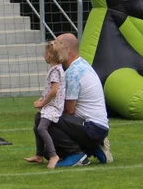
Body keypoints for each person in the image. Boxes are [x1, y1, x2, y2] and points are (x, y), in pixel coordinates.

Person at [46, 33, 113, 167]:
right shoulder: (81, 65)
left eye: (57, 46)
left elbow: (70, 110)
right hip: (97, 127)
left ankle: (76, 154)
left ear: (67, 49)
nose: (53, 49)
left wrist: (46, 105)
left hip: (92, 128)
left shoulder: (73, 73)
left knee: (46, 118)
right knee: (47, 148)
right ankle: (94, 148)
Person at [26, 39, 69, 170]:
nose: (44, 54)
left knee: (41, 128)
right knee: (37, 123)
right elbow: (50, 90)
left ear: (50, 55)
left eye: (46, 52)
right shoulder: (55, 69)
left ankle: (53, 155)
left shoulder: (55, 71)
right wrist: (41, 99)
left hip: (53, 106)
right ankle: (39, 155)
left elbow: (54, 91)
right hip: (50, 104)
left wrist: (43, 103)